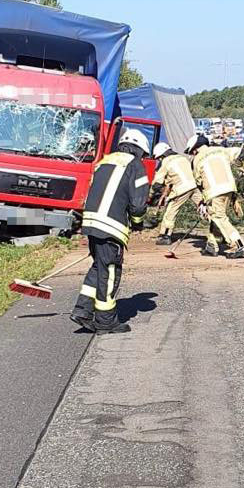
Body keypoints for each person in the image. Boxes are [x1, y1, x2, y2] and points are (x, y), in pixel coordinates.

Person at [71, 128, 150, 334]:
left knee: (98, 267)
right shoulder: (135, 166)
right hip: (111, 226)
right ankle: (105, 321)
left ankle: (83, 310)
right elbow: (139, 205)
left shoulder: (103, 162)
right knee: (111, 271)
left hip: (91, 222)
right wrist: (138, 222)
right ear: (140, 150)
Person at [186, 133, 244, 259]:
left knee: (219, 217)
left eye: (191, 151)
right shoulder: (220, 150)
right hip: (229, 189)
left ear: (195, 149)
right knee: (216, 216)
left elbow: (198, 182)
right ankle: (212, 246)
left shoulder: (197, 160)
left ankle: (238, 244)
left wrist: (203, 200)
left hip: (214, 192)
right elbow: (242, 153)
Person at [150, 142, 198, 245]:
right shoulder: (182, 158)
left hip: (181, 189)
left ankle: (165, 236)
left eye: (159, 158)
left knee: (170, 212)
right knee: (205, 209)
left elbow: (157, 183)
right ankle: (218, 233)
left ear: (162, 155)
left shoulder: (165, 161)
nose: (159, 160)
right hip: (194, 186)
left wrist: (151, 195)